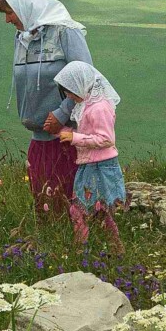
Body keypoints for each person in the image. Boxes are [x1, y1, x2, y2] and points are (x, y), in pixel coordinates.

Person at [0, 0, 92, 210]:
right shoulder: (22, 38)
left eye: (10, 13)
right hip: (38, 137)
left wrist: (62, 112)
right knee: (44, 204)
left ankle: (82, 245)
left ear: (27, 7)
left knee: (70, 203)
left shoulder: (65, 32)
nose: (7, 20)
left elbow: (85, 77)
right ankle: (51, 245)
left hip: (68, 137)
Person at [53, 61, 127, 248]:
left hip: (101, 166)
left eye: (70, 90)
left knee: (93, 210)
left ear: (81, 84)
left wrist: (75, 138)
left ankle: (87, 247)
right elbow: (88, 132)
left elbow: (106, 139)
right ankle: (109, 247)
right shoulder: (87, 105)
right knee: (91, 210)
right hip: (90, 164)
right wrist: (66, 133)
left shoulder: (99, 108)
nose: (68, 95)